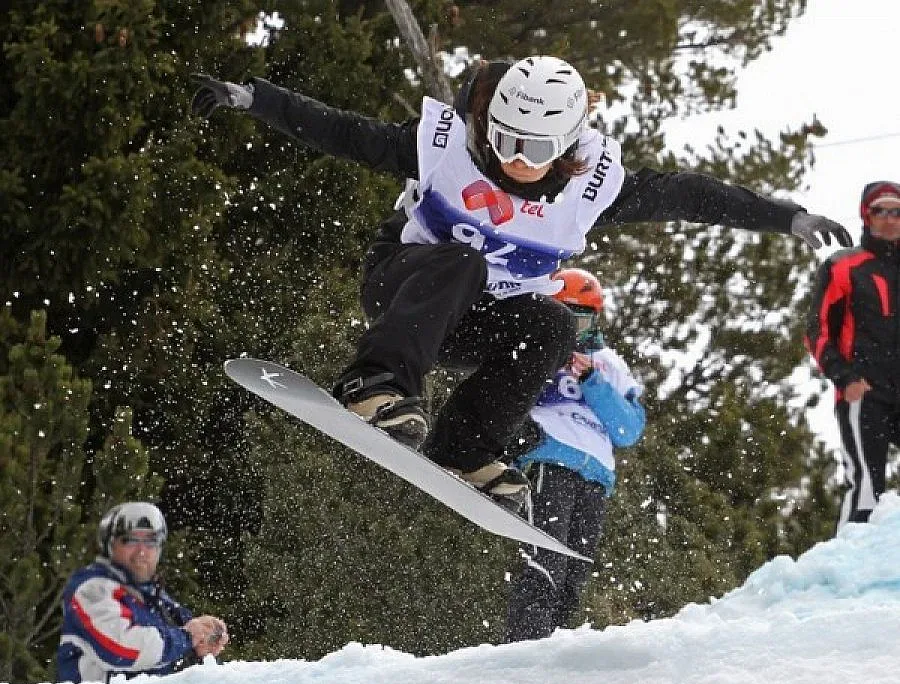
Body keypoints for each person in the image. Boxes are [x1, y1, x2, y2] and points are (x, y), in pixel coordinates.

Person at [190, 55, 851, 509]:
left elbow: (690, 195)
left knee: (552, 323)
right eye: (504, 139)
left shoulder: (592, 189)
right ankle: (375, 383)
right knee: (464, 259)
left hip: (472, 322)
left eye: (535, 151)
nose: (513, 160)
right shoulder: (445, 146)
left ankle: (465, 444)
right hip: (404, 287)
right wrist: (255, 98)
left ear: (565, 148)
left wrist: (785, 217)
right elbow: (341, 131)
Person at [504, 268, 645, 641]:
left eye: (579, 318)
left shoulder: (610, 363)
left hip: (596, 473)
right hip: (550, 458)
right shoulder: (538, 343)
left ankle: (558, 653)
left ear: (594, 319)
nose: (572, 328)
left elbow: (629, 429)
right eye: (563, 316)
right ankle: (524, 648)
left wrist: (592, 382)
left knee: (574, 575)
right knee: (544, 560)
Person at [805, 180, 900, 530]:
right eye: (880, 211)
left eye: (896, 211)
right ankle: (847, 579)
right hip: (864, 391)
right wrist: (844, 377)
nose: (889, 219)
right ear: (866, 215)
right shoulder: (844, 266)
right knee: (866, 490)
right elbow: (816, 330)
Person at [57, 502, 229, 684]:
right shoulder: (92, 589)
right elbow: (120, 649)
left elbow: (170, 653)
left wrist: (200, 648)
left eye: (150, 542)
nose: (141, 552)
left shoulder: (153, 596)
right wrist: (187, 637)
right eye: (130, 540)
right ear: (110, 545)